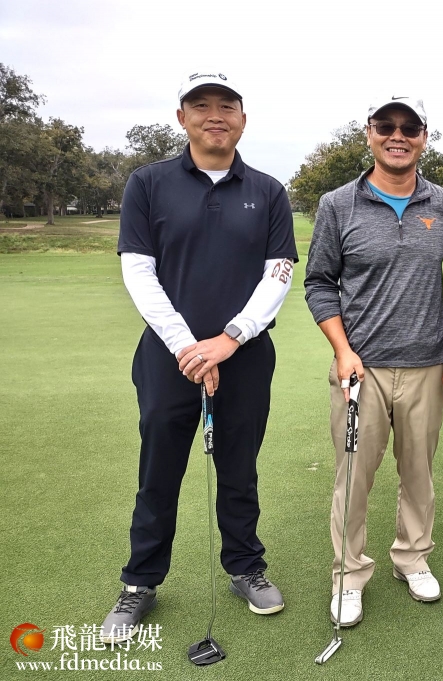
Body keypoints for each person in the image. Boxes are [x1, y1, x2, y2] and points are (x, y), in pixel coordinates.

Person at [100, 71, 298, 642]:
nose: (215, 115)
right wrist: (187, 345)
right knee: (158, 471)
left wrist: (229, 338)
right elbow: (138, 270)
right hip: (169, 357)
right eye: (202, 105)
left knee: (239, 467)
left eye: (227, 106)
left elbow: (279, 272)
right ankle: (140, 582)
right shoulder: (148, 182)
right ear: (182, 117)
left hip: (245, 354)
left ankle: (245, 567)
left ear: (243, 119)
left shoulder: (268, 190)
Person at [304, 96, 443, 627]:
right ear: (369, 133)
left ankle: (411, 558)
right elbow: (319, 283)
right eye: (386, 126)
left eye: (409, 127)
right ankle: (348, 574)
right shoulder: (337, 204)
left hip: (425, 364)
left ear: (423, 137)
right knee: (353, 476)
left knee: (418, 473)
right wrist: (342, 350)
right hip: (360, 368)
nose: (398, 136)